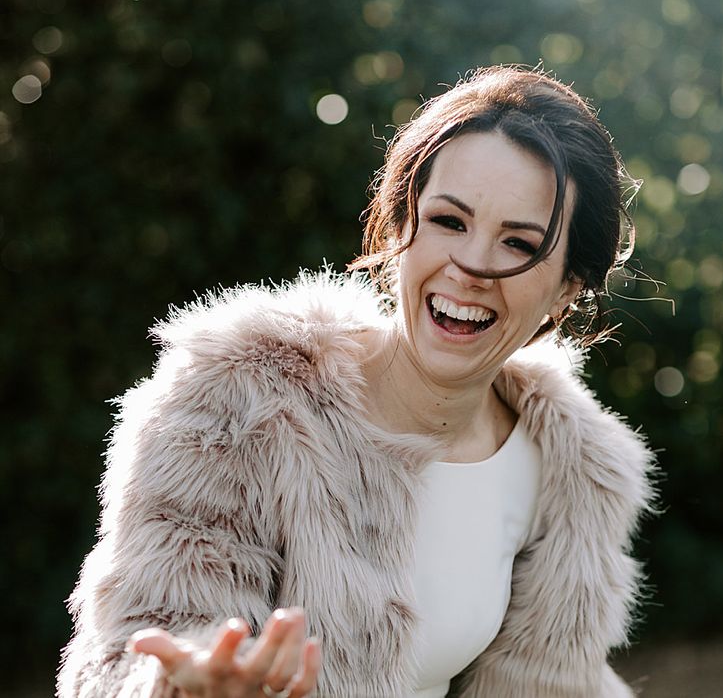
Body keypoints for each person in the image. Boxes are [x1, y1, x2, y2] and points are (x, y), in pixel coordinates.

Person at [58, 65, 655, 698]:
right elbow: (127, 653)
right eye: (449, 221)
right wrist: (180, 686)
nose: (472, 266)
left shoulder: (568, 470)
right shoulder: (239, 400)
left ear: (565, 289)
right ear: (401, 227)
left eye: (518, 243)